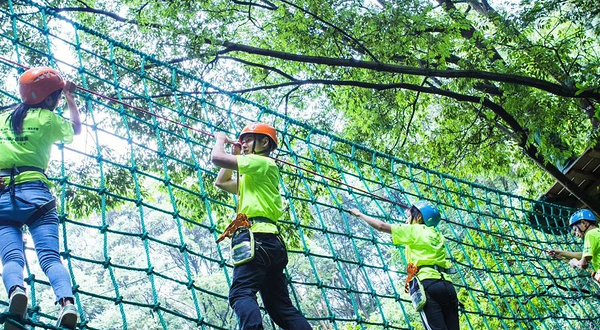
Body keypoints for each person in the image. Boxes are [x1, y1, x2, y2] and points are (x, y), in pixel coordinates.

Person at [0, 67, 81, 330]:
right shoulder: (48, 119)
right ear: (49, 100)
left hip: (2, 197)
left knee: (11, 258)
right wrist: (70, 97)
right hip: (36, 195)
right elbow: (77, 129)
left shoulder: (2, 119)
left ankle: (16, 293)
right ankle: (67, 304)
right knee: (49, 257)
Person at [211, 122, 312, 330]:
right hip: (272, 243)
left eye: (248, 139)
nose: (244, 143)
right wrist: (236, 152)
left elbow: (216, 158)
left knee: (241, 293)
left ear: (264, 142)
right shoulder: (255, 176)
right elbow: (221, 182)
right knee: (280, 309)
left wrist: (220, 139)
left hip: (256, 240)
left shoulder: (261, 163)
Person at [349, 201, 459, 330]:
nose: (407, 219)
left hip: (427, 285)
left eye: (409, 216)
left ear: (418, 217)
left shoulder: (414, 230)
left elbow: (381, 226)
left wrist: (359, 214)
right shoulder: (438, 235)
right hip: (447, 286)